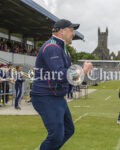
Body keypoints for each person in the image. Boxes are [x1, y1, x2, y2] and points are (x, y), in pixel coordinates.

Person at [31, 19, 93, 150]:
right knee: (56, 136)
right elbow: (61, 75)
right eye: (71, 30)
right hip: (46, 97)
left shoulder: (62, 48)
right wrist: (82, 71)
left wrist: (79, 75)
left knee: (68, 130)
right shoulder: (52, 47)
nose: (73, 34)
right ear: (61, 31)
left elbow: (68, 76)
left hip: (56, 97)